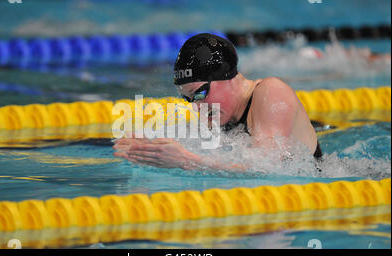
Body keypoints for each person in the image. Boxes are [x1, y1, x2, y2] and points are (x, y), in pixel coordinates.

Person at [113, 33, 321, 171]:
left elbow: (269, 167)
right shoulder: (218, 114)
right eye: (188, 99)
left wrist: (186, 161)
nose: (196, 106)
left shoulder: (271, 92)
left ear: (228, 77)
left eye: (200, 93)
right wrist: (150, 147)